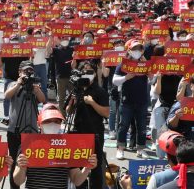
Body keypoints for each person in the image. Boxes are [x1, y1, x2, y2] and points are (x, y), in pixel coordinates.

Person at [13, 108, 98, 189]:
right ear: (39, 124)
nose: (52, 124)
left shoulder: (68, 145)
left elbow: (76, 180)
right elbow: (18, 181)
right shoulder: (29, 144)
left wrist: (87, 168)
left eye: (57, 121)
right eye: (48, 121)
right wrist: (21, 168)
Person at [66, 61, 109, 189]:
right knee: (78, 164)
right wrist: (73, 100)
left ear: (95, 74)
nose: (87, 74)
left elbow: (107, 113)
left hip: (95, 132)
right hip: (78, 131)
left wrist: (92, 103)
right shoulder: (76, 88)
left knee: (95, 165)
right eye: (84, 71)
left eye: (90, 71)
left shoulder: (100, 91)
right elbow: (68, 111)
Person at [4, 60, 46, 189]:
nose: (28, 73)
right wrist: (19, 84)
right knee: (15, 163)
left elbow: (43, 100)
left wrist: (37, 90)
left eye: (30, 71)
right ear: (19, 72)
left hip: (32, 131)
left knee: (31, 163)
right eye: (25, 71)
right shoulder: (12, 84)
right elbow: (7, 96)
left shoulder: (35, 85)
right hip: (15, 130)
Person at [113, 39, 150, 159]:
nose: (137, 51)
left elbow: (153, 80)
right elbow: (115, 80)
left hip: (142, 100)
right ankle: (120, 149)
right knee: (123, 125)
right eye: (134, 49)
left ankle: (141, 148)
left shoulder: (146, 64)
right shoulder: (123, 64)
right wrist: (126, 77)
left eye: (139, 49)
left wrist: (148, 69)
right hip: (127, 100)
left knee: (142, 126)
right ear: (129, 50)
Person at [47, 35, 74, 117]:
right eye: (63, 38)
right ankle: (63, 116)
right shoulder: (56, 50)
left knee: (74, 97)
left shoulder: (72, 49)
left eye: (67, 38)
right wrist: (50, 38)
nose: (65, 39)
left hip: (72, 77)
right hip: (60, 77)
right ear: (60, 40)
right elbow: (48, 50)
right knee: (61, 99)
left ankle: (71, 114)